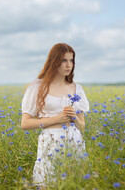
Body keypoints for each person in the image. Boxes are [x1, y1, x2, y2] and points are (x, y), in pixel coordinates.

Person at [21, 43, 90, 187]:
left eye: (71, 60)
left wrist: (75, 118)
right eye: (64, 60)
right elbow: (25, 124)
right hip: (50, 141)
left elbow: (82, 127)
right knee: (48, 182)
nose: (68, 65)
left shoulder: (77, 88)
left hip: (75, 141)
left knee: (74, 183)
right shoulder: (37, 87)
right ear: (54, 61)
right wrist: (56, 119)